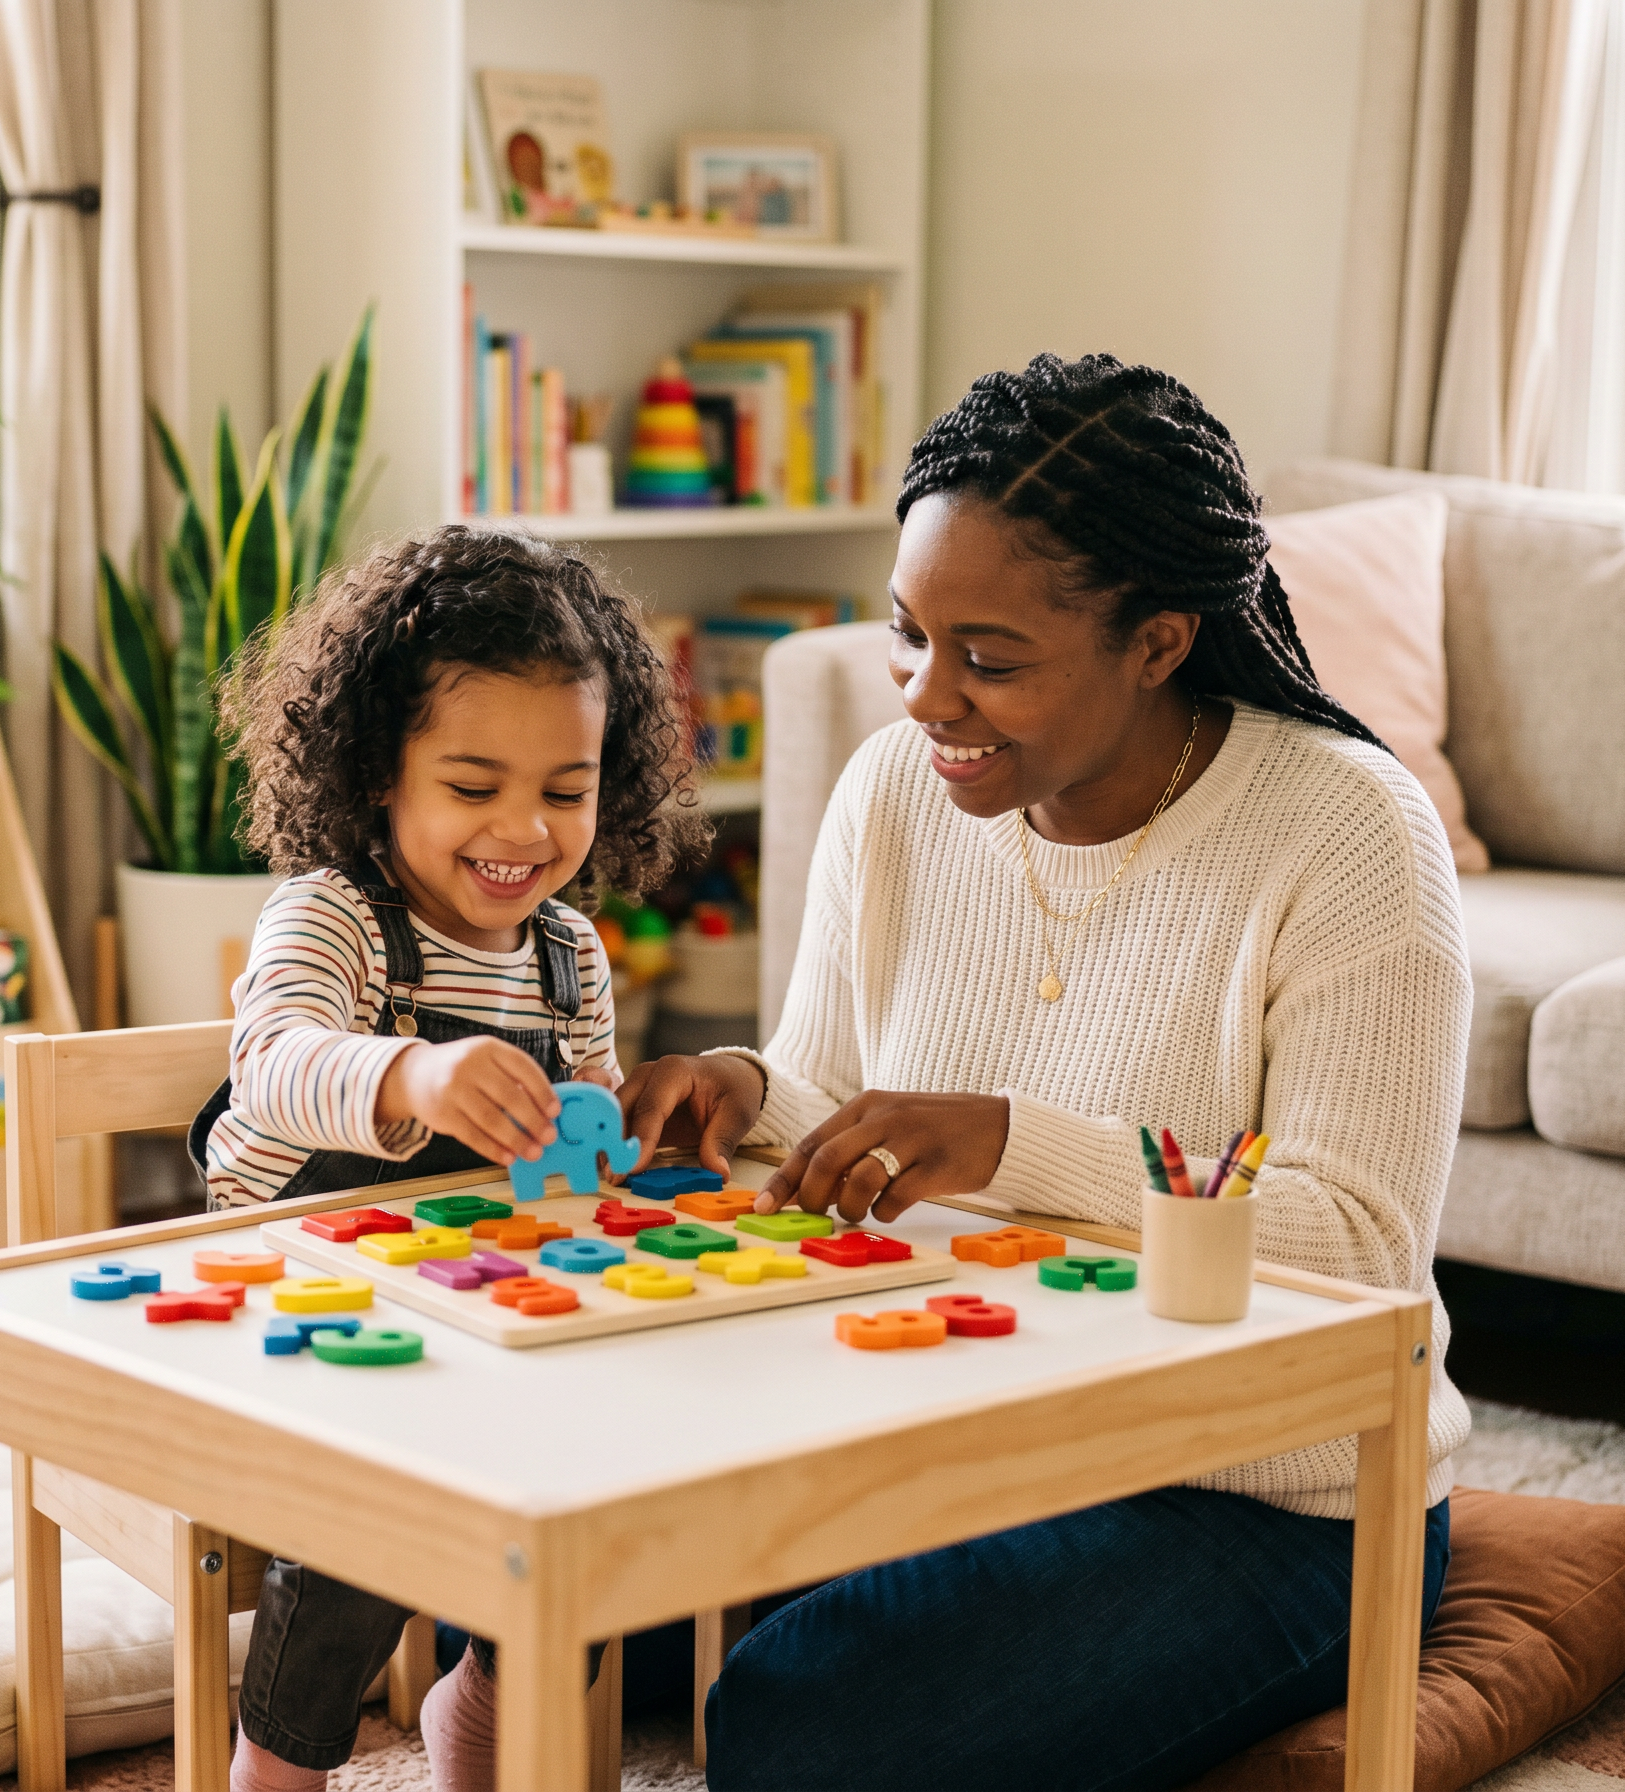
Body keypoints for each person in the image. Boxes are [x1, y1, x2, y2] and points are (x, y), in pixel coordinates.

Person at [622, 354, 1474, 1791]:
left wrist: (1009, 1140)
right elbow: (835, 1091)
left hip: (1254, 1488)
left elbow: (1362, 1252)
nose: (926, 698)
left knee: (799, 1727)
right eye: (910, 637)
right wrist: (748, 1094)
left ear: (1157, 642)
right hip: (954, 1425)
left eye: (992, 659)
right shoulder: (900, 789)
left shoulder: (1349, 836)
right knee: (515, 1587)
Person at [194, 526, 705, 1792]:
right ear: (381, 771)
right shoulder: (333, 913)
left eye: (566, 791)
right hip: (292, 1292)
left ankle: (487, 1703)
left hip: (469, 1291)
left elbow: (573, 1147)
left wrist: (616, 1143)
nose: (523, 830)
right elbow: (273, 1061)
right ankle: (281, 1761)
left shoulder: (568, 952)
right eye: (473, 788)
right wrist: (412, 1074)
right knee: (381, 1483)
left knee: (589, 1463)